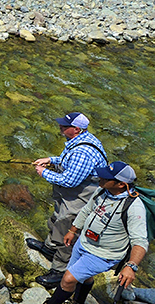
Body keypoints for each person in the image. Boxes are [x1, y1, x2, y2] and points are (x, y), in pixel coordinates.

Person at [31, 161, 148, 304]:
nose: (100, 177)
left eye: (106, 177)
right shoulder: (102, 190)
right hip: (83, 242)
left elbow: (140, 241)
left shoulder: (135, 208)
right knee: (84, 277)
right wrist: (73, 230)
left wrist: (131, 266)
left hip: (103, 254)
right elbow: (87, 210)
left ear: (121, 184)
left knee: (68, 279)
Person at [28, 112, 107, 287]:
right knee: (58, 218)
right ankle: (49, 248)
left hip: (81, 194)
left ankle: (60, 270)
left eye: (65, 125)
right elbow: (68, 162)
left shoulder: (83, 152)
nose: (61, 127)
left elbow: (70, 181)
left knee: (68, 228)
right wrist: (51, 160)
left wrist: (44, 173)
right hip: (73, 191)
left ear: (76, 129)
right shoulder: (81, 140)